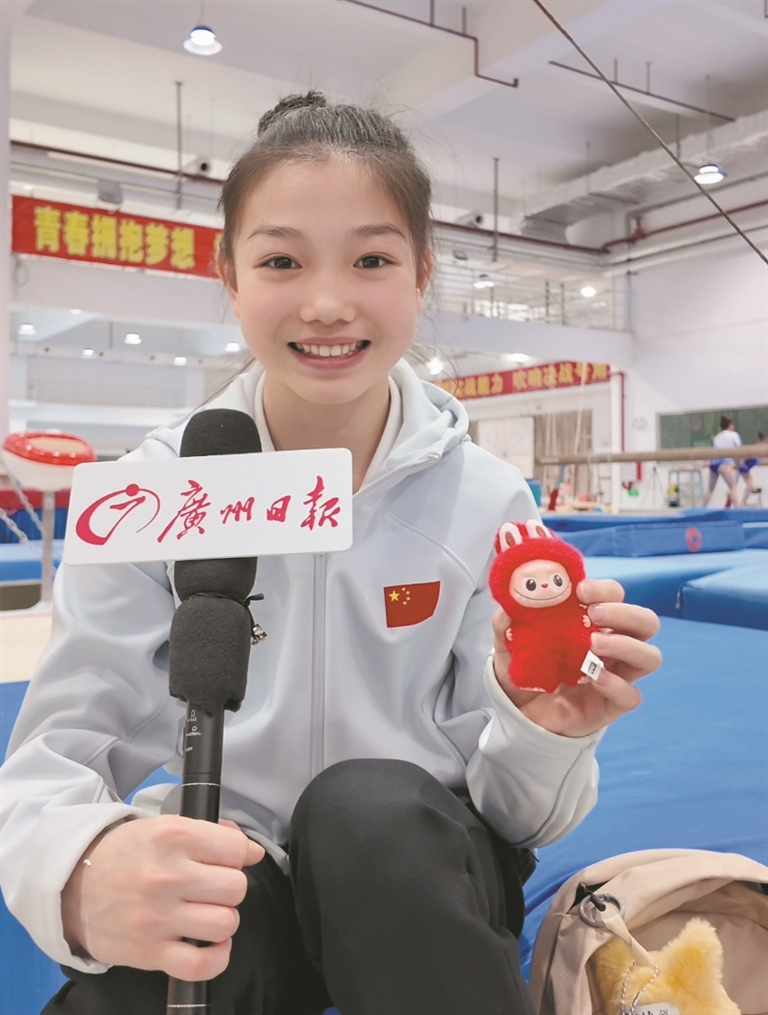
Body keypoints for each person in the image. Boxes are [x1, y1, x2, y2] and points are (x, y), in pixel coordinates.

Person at [0, 93, 661, 1015]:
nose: (326, 303)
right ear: (229, 276)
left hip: (421, 870)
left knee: (367, 811)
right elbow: (54, 755)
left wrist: (542, 728)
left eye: (372, 259)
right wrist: (78, 867)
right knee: (173, 937)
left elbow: (519, 816)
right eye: (281, 260)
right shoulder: (154, 492)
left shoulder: (487, 499)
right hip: (237, 868)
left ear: (422, 273)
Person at [704, 415, 742, 507]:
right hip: (725, 463)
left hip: (713, 464)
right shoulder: (734, 435)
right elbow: (739, 451)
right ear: (730, 425)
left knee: (710, 489)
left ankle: (702, 507)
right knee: (733, 487)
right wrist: (738, 463)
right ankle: (738, 509)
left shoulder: (717, 436)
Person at [737, 431, 766, 505]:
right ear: (760, 441)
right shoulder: (756, 448)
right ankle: (742, 503)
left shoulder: (762, 451)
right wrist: (741, 462)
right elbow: (743, 453)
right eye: (766, 442)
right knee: (750, 486)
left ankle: (742, 502)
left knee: (751, 486)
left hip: (745, 469)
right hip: (741, 467)